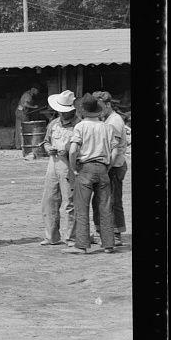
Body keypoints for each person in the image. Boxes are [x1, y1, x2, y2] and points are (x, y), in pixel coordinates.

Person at [64, 94, 120, 255]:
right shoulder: (107, 127)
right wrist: (107, 166)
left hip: (85, 168)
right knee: (105, 207)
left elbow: (73, 150)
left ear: (83, 111)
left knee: (82, 208)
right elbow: (115, 151)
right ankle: (108, 244)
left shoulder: (80, 127)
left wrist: (74, 168)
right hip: (102, 168)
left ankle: (82, 245)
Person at [39, 91, 77, 246]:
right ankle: (51, 236)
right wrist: (48, 149)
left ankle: (71, 237)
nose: (62, 114)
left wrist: (68, 150)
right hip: (52, 164)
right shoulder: (53, 124)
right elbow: (46, 141)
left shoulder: (78, 125)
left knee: (70, 202)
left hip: (69, 166)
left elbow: (81, 147)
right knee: (49, 200)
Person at [93, 91, 129, 247]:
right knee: (107, 199)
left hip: (114, 165)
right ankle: (105, 231)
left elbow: (112, 149)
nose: (99, 110)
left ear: (108, 104)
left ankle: (116, 233)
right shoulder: (107, 118)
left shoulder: (114, 121)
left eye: (101, 106)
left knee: (113, 199)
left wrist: (106, 168)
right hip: (111, 164)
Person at [15, 84, 41, 152]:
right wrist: (34, 107)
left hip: (19, 111)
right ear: (33, 89)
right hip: (22, 113)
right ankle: (24, 145)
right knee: (25, 129)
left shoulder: (26, 94)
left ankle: (19, 145)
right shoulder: (28, 95)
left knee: (19, 129)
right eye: (37, 91)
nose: (37, 93)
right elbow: (25, 104)